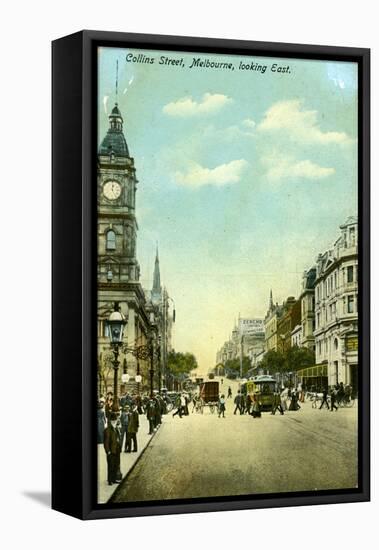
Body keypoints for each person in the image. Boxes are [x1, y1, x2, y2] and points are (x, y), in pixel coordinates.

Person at [103, 412, 122, 485]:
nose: (114, 422)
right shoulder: (107, 430)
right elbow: (106, 442)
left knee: (116, 465)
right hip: (111, 451)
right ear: (110, 421)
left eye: (115, 421)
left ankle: (114, 479)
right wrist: (108, 451)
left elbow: (118, 438)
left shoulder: (116, 428)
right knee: (111, 466)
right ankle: (110, 480)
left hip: (117, 450)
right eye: (113, 421)